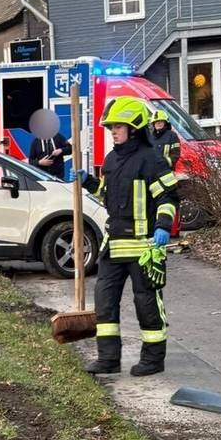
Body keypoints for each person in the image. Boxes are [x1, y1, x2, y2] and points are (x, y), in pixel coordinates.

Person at [76, 97, 180, 377]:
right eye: (110, 127)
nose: (113, 131)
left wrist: (162, 225)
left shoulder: (152, 159)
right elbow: (108, 197)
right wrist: (87, 182)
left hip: (145, 245)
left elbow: (168, 196)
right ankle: (108, 359)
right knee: (104, 300)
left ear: (134, 127)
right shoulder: (111, 160)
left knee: (146, 303)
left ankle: (153, 359)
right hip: (115, 244)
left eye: (117, 127)